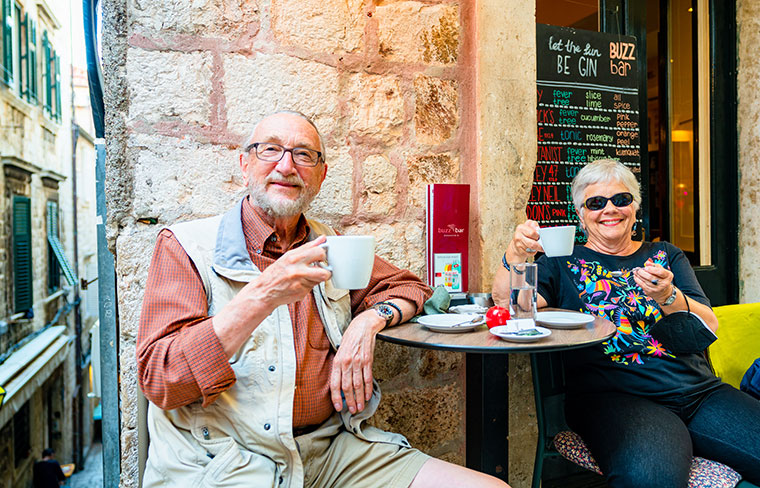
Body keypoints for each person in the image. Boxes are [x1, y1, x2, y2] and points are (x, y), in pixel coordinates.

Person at [137, 111, 507, 488]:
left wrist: (367, 323)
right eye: (271, 150)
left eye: (303, 154)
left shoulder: (328, 243)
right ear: (245, 164)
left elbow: (413, 289)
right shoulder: (187, 246)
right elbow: (161, 379)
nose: (286, 165)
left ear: (321, 174)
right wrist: (262, 296)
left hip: (329, 453)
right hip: (227, 460)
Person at [492, 159, 760, 488]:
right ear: (581, 216)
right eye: (595, 202)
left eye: (620, 199)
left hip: (699, 392)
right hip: (616, 398)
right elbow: (508, 302)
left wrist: (668, 295)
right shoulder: (561, 261)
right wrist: (516, 253)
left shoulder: (666, 255)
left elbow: (708, 325)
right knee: (650, 481)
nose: (609, 209)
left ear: (635, 207)